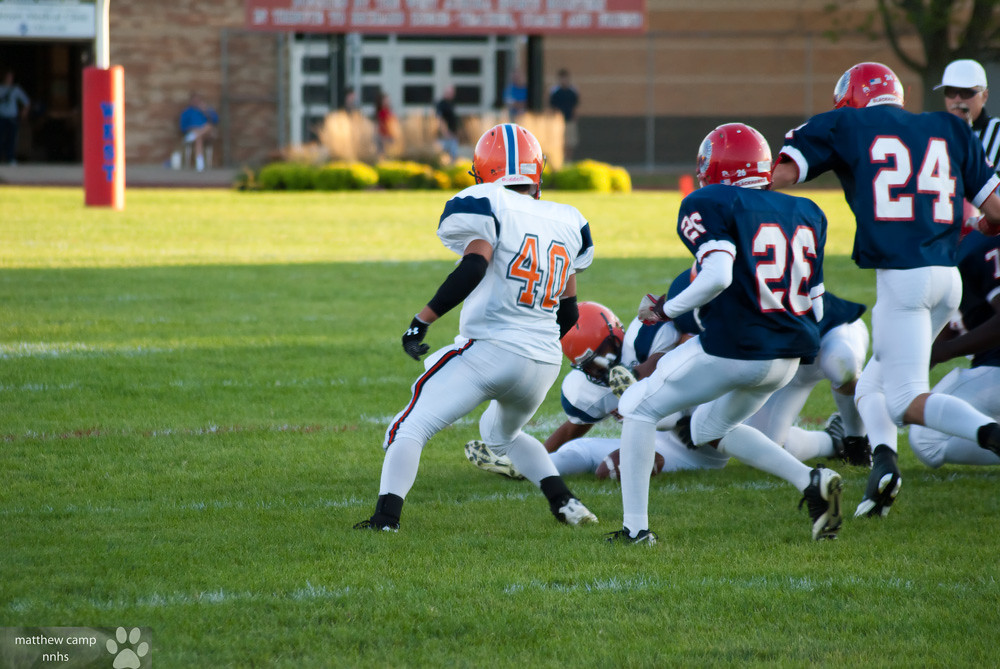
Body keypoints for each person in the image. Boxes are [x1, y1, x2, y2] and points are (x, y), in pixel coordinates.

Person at [771, 61, 1000, 519]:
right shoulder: (949, 128)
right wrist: (975, 224)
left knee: (906, 398)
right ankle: (885, 465)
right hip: (946, 279)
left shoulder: (844, 122)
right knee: (873, 382)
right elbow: (996, 212)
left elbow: (780, 176)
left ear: (850, 98)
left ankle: (991, 434)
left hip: (904, 279)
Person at [354, 123, 598, 532]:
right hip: (542, 360)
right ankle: (565, 503)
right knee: (501, 435)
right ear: (536, 172)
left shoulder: (488, 201)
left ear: (484, 170)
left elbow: (475, 263)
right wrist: (533, 344)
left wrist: (422, 320)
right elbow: (569, 312)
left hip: (491, 349)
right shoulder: (568, 219)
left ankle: (385, 520)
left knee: (408, 426)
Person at [611, 123, 843, 545]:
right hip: (787, 357)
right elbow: (818, 303)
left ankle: (635, 529)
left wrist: (666, 310)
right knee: (708, 428)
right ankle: (811, 480)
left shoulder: (708, 200)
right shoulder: (807, 210)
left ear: (712, 168)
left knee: (637, 408)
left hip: (735, 349)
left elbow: (717, 274)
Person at [908, 229, 1000, 467]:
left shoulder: (983, 243)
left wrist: (945, 351)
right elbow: (952, 322)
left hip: (995, 369)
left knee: (927, 440)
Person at [935, 59, 1000, 167]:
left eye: (966, 92)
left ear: (984, 95)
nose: (957, 99)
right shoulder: (935, 132)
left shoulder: (997, 133)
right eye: (950, 92)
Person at [178, 92, 218, 172]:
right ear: (191, 101)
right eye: (194, 100)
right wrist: (193, 128)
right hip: (193, 131)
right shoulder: (187, 112)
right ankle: (200, 162)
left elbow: (215, 121)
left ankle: (194, 136)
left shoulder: (206, 110)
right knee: (199, 138)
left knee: (209, 126)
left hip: (206, 133)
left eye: (198, 100)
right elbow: (183, 127)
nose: (196, 102)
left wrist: (206, 111)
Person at [549, 69, 580, 162]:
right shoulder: (555, 91)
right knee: (559, 142)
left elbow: (576, 105)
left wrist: (574, 118)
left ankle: (568, 160)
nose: (564, 80)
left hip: (569, 120)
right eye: (562, 78)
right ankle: (560, 160)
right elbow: (552, 106)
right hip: (558, 122)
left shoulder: (573, 91)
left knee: (570, 142)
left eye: (565, 78)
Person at [0, 70, 30, 165]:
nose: (9, 79)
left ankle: (10, 158)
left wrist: (24, 112)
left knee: (12, 138)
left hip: (12, 117)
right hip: (1, 116)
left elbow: (26, 101)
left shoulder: (16, 89)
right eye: (8, 77)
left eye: (11, 77)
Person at [435, 85, 460, 163]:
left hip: (453, 134)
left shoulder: (452, 103)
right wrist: (445, 132)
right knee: (444, 156)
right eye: (450, 93)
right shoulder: (441, 104)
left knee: (453, 156)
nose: (452, 95)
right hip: (446, 135)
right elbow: (440, 119)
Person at [374, 91, 398, 159]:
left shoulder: (389, 111)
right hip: (383, 137)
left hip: (389, 136)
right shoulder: (381, 112)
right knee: (382, 155)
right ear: (382, 101)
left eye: (388, 100)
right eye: (385, 100)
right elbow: (382, 125)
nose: (387, 101)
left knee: (390, 154)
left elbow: (393, 122)